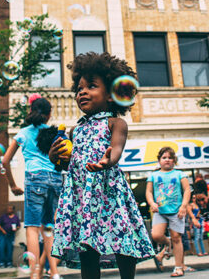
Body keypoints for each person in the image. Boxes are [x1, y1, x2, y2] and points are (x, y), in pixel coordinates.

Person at [49, 52, 155, 279]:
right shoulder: (74, 130)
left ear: (111, 95)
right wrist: (54, 157)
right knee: (87, 248)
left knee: (122, 242)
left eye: (91, 86)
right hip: (82, 195)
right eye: (79, 89)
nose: (82, 92)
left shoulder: (116, 123)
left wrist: (109, 160)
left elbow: (116, 149)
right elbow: (66, 163)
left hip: (109, 192)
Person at [1, 97, 62, 279]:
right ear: (49, 114)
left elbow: (4, 161)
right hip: (56, 179)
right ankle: (55, 273)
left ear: (31, 111)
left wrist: (12, 184)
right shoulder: (55, 133)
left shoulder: (23, 133)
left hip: (35, 179)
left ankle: (35, 274)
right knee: (49, 228)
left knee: (33, 228)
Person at [146, 147, 191, 277]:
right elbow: (149, 192)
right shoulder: (153, 175)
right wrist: (152, 203)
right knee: (156, 235)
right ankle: (168, 242)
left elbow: (187, 190)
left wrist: (183, 206)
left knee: (177, 238)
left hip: (177, 211)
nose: (167, 160)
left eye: (170, 158)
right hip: (160, 211)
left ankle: (178, 268)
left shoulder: (180, 174)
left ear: (174, 160)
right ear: (159, 160)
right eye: (164, 158)